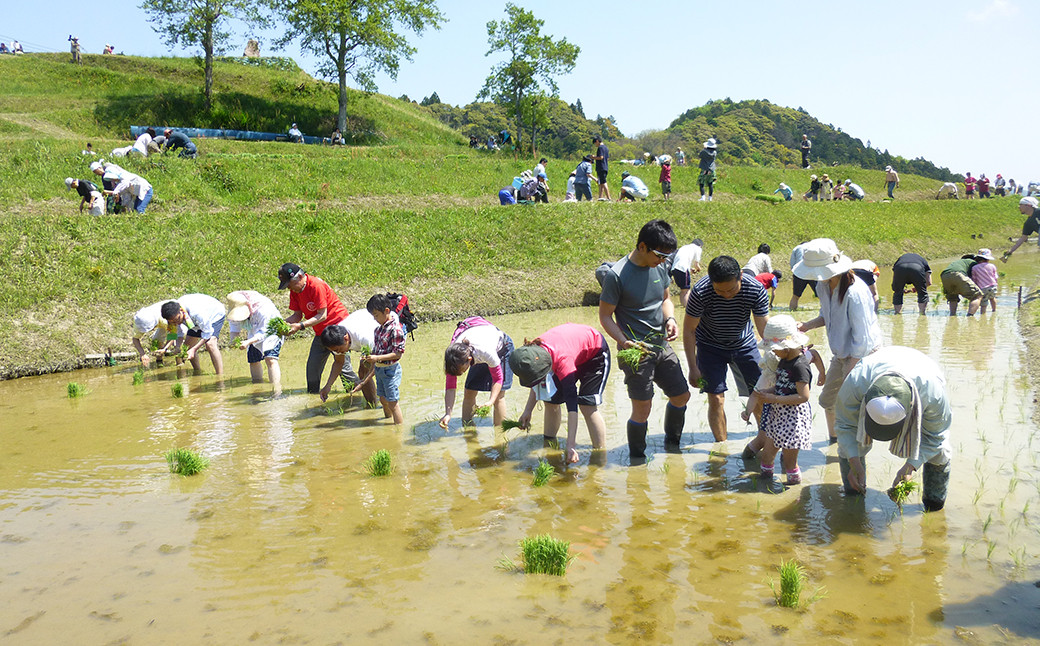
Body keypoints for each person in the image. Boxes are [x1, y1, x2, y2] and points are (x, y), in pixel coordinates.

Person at [599, 219, 689, 460]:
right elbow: (605, 316)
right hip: (636, 351)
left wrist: (670, 319)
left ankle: (673, 447)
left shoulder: (659, 266)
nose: (663, 260)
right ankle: (637, 459)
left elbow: (665, 298)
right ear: (642, 247)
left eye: (666, 256)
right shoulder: (617, 276)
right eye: (659, 254)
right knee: (643, 407)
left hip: (662, 345)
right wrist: (623, 341)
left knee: (682, 395)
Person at [834, 346, 952, 512]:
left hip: (922, 367)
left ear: (910, 411)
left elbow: (935, 436)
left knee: (939, 452)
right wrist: (853, 462)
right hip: (879, 364)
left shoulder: (933, 394)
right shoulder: (856, 382)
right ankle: (854, 499)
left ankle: (934, 504)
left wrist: (911, 466)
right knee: (852, 443)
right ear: (865, 402)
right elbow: (845, 424)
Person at [794, 239, 882, 443]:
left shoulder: (855, 292)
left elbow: (862, 339)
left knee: (852, 405)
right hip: (841, 353)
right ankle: (836, 442)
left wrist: (851, 374)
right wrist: (807, 325)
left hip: (862, 356)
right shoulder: (823, 285)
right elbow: (827, 316)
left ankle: (856, 448)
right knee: (828, 401)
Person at [683, 255, 770, 442]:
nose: (727, 295)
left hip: (745, 344)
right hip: (709, 346)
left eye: (731, 289)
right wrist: (693, 368)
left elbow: (765, 331)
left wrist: (786, 355)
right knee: (716, 398)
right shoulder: (700, 292)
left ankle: (764, 442)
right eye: (720, 291)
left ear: (740, 276)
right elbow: (689, 330)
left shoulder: (755, 289)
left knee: (760, 395)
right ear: (712, 283)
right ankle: (721, 447)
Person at [510, 323, 610, 464]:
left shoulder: (563, 362)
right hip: (570, 349)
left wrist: (571, 445)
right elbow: (536, 379)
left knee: (587, 406)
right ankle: (549, 445)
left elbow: (572, 406)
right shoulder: (533, 353)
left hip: (594, 353)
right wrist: (527, 410)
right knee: (551, 401)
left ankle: (600, 455)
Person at [739, 316, 814, 485]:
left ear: (787, 348)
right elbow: (783, 385)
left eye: (775, 349)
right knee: (767, 455)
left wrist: (775, 398)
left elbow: (803, 396)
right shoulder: (783, 361)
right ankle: (764, 485)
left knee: (789, 462)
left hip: (793, 418)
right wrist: (769, 391)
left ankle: (793, 492)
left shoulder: (800, 366)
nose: (773, 352)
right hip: (777, 416)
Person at [278, 262, 359, 395]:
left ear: (299, 277)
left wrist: (300, 326)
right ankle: (313, 397)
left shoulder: (316, 285)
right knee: (313, 368)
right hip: (321, 332)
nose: (289, 289)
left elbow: (322, 315)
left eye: (289, 284)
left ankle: (354, 398)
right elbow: (297, 315)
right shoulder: (295, 291)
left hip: (337, 329)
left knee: (344, 370)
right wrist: (283, 324)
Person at [440, 316, 514, 428]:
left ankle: (500, 436)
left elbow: (498, 379)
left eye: (461, 370)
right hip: (477, 342)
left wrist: (490, 401)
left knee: (499, 395)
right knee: (469, 390)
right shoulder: (454, 355)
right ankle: (468, 428)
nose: (460, 374)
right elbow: (450, 387)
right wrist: (448, 414)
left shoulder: (486, 352)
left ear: (469, 360)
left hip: (502, 348)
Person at [352, 294, 406, 424]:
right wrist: (370, 360)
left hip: (390, 371)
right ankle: (388, 420)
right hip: (380, 370)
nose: (375, 319)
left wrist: (377, 358)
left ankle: (398, 429)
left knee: (393, 402)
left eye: (376, 315)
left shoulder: (396, 330)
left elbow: (397, 354)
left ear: (386, 311)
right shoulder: (378, 330)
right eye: (373, 316)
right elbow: (376, 351)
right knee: (382, 399)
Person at [315, 312, 379, 405]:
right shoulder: (335, 338)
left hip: (385, 331)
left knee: (364, 369)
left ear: (346, 338)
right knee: (364, 371)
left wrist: (363, 382)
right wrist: (328, 386)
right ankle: (372, 404)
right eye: (334, 351)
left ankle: (377, 405)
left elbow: (379, 363)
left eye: (338, 349)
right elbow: (339, 362)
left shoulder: (365, 338)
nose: (338, 352)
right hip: (365, 327)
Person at [226, 290, 282, 393]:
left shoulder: (264, 309)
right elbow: (234, 328)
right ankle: (257, 389)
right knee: (253, 360)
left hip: (271, 331)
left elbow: (265, 332)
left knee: (270, 359)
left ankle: (276, 391)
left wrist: (248, 342)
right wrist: (233, 341)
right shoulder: (234, 308)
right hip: (254, 331)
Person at [161, 294, 227, 375]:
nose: (176, 323)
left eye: (177, 319)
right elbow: (174, 333)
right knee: (188, 346)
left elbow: (207, 333)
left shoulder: (196, 313)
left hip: (214, 314)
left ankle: (220, 377)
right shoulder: (172, 316)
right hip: (196, 320)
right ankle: (197, 372)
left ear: (181, 311)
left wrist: (194, 349)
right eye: (173, 322)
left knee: (210, 344)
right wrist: (169, 348)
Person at [131, 300, 186, 367]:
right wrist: (142, 354)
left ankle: (179, 363)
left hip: (174, 315)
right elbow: (135, 339)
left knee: (177, 344)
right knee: (156, 340)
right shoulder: (139, 321)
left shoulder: (165, 320)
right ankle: (159, 361)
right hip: (161, 322)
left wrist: (165, 348)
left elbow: (173, 335)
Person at [1002, 196, 1040, 261]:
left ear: (1028, 205)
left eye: (1020, 205)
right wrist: (1010, 251)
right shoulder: (1028, 223)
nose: (1019, 207)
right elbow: (1023, 238)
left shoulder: (1038, 211)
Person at [670, 238, 704, 308]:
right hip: (683, 269)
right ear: (700, 245)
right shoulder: (698, 248)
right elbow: (696, 265)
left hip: (674, 269)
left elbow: (680, 261)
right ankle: (687, 308)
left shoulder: (684, 247)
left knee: (683, 289)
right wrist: (699, 269)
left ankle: (684, 305)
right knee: (686, 290)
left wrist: (689, 270)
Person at [788, 241, 818, 311]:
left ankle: (792, 310)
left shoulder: (796, 248)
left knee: (795, 296)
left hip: (799, 272)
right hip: (812, 272)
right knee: (821, 295)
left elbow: (792, 263)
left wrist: (795, 273)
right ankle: (825, 310)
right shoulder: (813, 247)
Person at [970, 248, 999, 313]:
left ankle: (983, 316)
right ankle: (994, 311)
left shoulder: (975, 268)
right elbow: (995, 277)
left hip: (983, 288)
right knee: (992, 298)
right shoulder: (992, 266)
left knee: (983, 304)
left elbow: (974, 279)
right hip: (993, 286)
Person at [592, 136, 611, 200]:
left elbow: (601, 157)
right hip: (605, 167)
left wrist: (593, 157)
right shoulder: (606, 148)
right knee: (601, 183)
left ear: (597, 141)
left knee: (603, 182)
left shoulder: (600, 147)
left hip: (601, 167)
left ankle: (609, 198)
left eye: (595, 143)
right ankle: (600, 197)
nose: (595, 145)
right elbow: (607, 158)